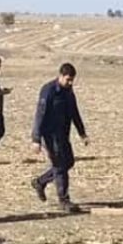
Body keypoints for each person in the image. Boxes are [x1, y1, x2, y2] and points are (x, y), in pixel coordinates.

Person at [30, 62, 89, 213]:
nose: (70, 83)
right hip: (49, 135)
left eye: (72, 80)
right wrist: (36, 139)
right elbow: (39, 115)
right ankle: (64, 200)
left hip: (63, 134)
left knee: (68, 162)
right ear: (61, 76)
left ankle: (40, 182)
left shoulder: (69, 92)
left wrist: (82, 133)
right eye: (68, 79)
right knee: (60, 166)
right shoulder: (48, 91)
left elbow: (75, 113)